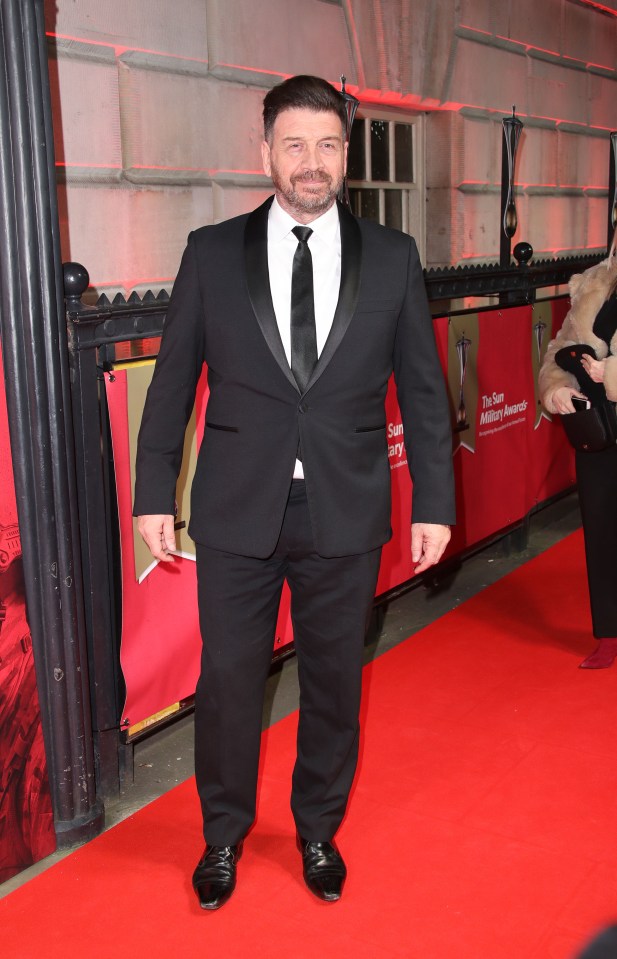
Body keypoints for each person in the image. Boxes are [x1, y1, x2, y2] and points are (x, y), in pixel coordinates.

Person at [133, 74, 455, 910]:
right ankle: (221, 835)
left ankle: (316, 826)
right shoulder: (211, 251)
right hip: (239, 507)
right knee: (230, 683)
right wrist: (151, 492)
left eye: (328, 145)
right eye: (295, 144)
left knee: (333, 683)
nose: (312, 163)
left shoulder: (392, 257)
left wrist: (434, 501)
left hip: (343, 508)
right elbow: (170, 384)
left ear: (345, 152)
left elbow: (423, 392)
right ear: (265, 150)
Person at [538, 231, 617, 669]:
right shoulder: (593, 282)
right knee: (602, 531)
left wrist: (611, 372)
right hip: (598, 428)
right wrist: (559, 389)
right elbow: (558, 348)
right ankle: (609, 634)